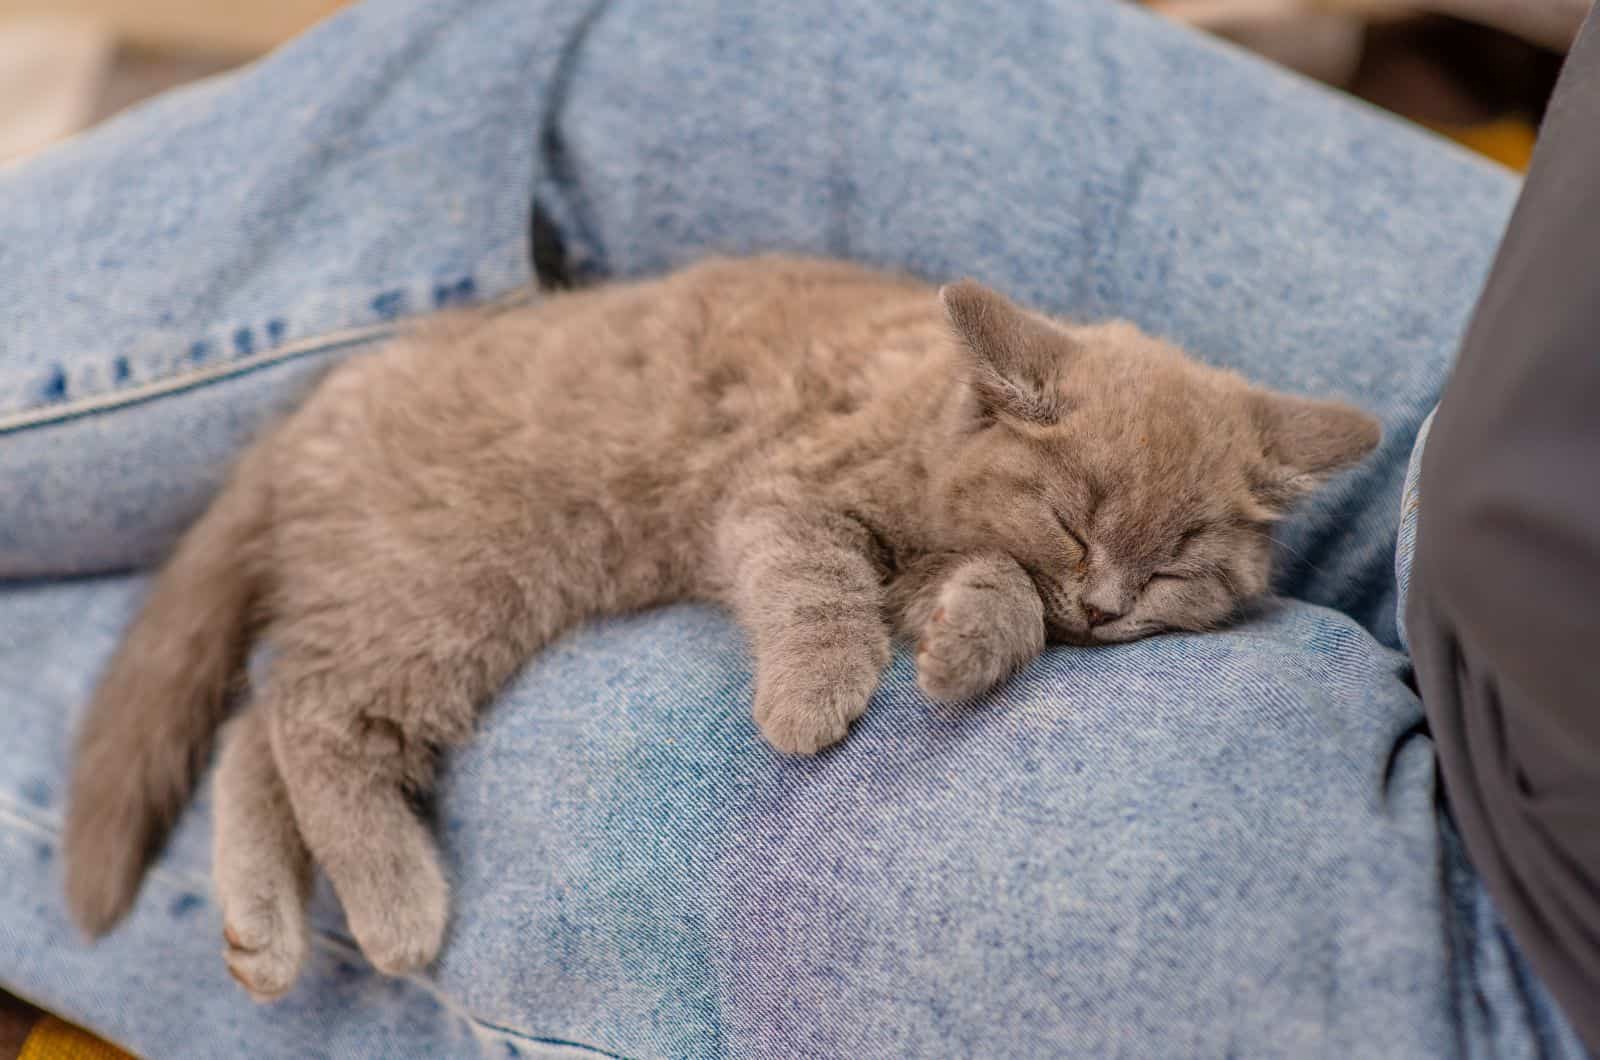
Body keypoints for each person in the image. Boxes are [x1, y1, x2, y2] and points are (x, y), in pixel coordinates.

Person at [0, 0, 1589, 1055]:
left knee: (498, 782)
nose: (1111, 594)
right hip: (1535, 403)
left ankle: (259, 736)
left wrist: (1001, 596)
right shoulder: (998, 423)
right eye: (1086, 554)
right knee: (650, 34)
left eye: (1152, 570)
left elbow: (986, 568)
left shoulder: (1136, 510)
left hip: (1531, 934)